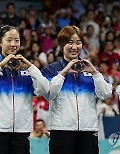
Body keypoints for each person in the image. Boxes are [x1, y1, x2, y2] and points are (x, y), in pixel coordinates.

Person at [40, 25, 112, 154]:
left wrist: (95, 73)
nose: (74, 47)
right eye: (70, 43)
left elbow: (106, 94)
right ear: (62, 45)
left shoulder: (89, 69)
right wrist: (63, 73)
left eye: (78, 43)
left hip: (88, 130)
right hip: (61, 130)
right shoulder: (50, 70)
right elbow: (48, 94)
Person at [0, 25, 48, 154]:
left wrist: (31, 67)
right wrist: (2, 64)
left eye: (17, 40)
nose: (13, 44)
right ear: (0, 42)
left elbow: (45, 90)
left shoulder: (25, 69)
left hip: (22, 131)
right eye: (9, 40)